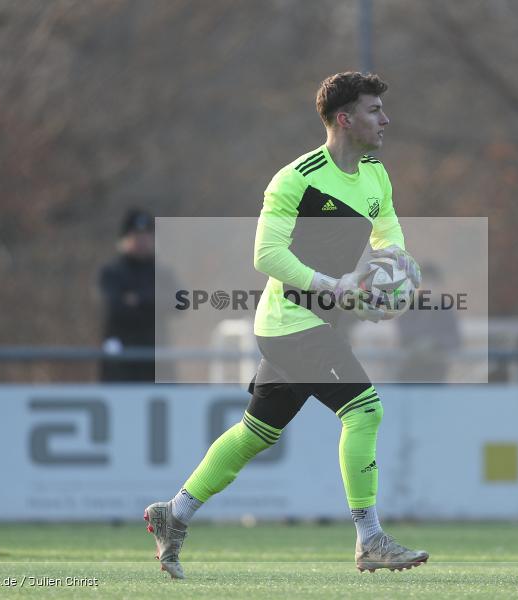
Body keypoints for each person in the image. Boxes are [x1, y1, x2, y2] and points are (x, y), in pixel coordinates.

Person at [144, 72, 428, 578]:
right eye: (374, 110)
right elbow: (266, 254)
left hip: (318, 324)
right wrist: (335, 286)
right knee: (365, 411)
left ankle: (174, 513)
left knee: (256, 434)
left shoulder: (376, 175)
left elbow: (389, 237)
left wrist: (391, 274)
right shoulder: (296, 178)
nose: (386, 119)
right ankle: (370, 539)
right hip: (290, 322)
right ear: (344, 119)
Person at [98, 208, 157, 382]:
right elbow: (116, 307)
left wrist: (138, 299)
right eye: (136, 236)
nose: (142, 241)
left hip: (154, 357)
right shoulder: (113, 272)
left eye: (146, 236)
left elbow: (179, 302)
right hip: (121, 357)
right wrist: (153, 302)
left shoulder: (160, 271)